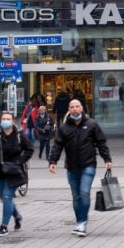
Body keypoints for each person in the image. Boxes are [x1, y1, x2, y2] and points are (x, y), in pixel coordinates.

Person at [48, 99, 112, 237]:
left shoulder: (91, 124)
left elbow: (101, 142)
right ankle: (79, 222)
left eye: (77, 106)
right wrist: (53, 161)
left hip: (88, 165)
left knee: (84, 193)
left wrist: (107, 159)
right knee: (76, 197)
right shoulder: (64, 128)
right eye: (72, 107)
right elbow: (57, 145)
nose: (75, 109)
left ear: (82, 108)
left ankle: (82, 223)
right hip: (71, 167)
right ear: (69, 110)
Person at [0, 111, 33, 237]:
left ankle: (4, 226)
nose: (5, 120)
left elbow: (29, 149)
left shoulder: (20, 136)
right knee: (5, 198)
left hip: (14, 172)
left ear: (12, 121)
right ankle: (17, 216)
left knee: (7, 197)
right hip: (0, 173)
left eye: (8, 118)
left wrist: (19, 161)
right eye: (3, 118)